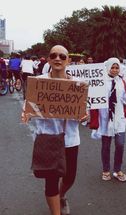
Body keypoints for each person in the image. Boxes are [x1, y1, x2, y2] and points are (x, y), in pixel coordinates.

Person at [21, 45, 87, 215]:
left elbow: (86, 111)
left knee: (70, 176)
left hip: (70, 138)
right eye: (53, 55)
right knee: (51, 180)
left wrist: (84, 116)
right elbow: (29, 106)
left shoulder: (77, 85)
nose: (58, 59)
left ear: (68, 61)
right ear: (49, 59)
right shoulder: (39, 82)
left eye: (62, 56)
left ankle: (62, 195)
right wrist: (26, 113)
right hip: (47, 138)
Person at [91, 58, 126, 182]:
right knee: (106, 145)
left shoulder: (122, 82)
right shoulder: (100, 81)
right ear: (107, 67)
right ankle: (106, 170)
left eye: (117, 67)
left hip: (119, 118)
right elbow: (92, 97)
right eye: (112, 67)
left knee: (120, 144)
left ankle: (117, 169)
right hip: (105, 118)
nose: (114, 70)